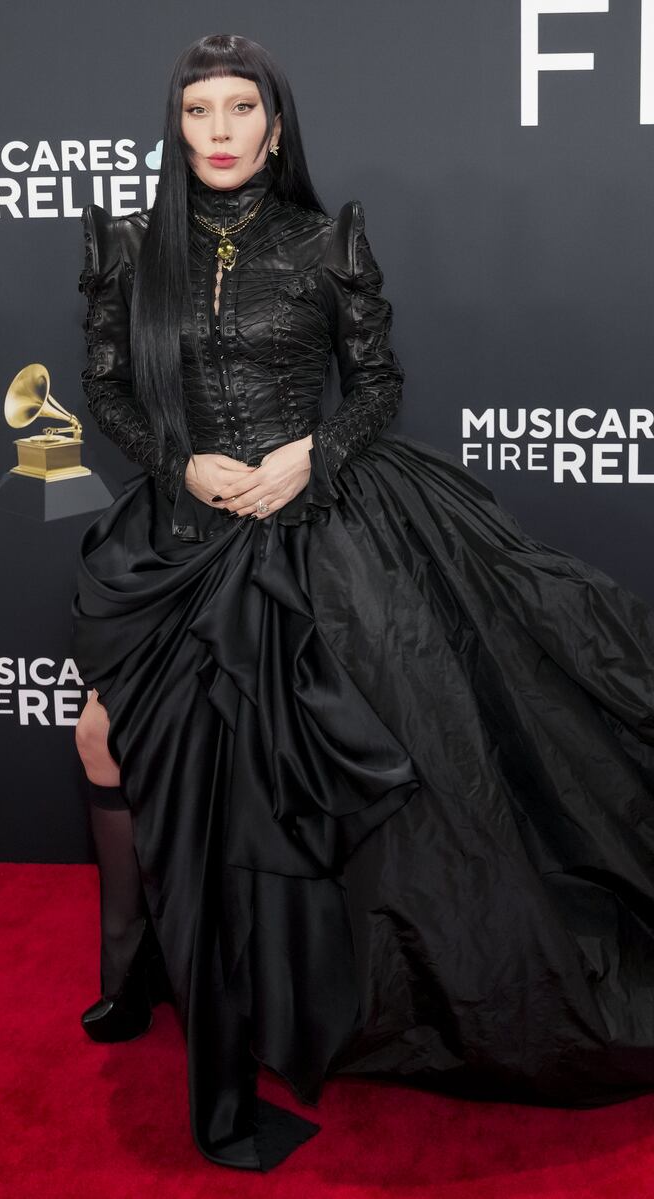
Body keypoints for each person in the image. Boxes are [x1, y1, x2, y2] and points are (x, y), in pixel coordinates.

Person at [70, 32, 654, 1173]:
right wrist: (179, 461)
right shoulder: (129, 247)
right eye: (201, 111)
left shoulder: (323, 240)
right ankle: (132, 968)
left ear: (276, 128)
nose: (222, 130)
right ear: (177, 127)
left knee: (320, 753)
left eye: (243, 109)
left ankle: (313, 985)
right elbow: (102, 384)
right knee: (106, 733)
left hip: (315, 522)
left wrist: (309, 457)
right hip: (186, 528)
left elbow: (377, 384)